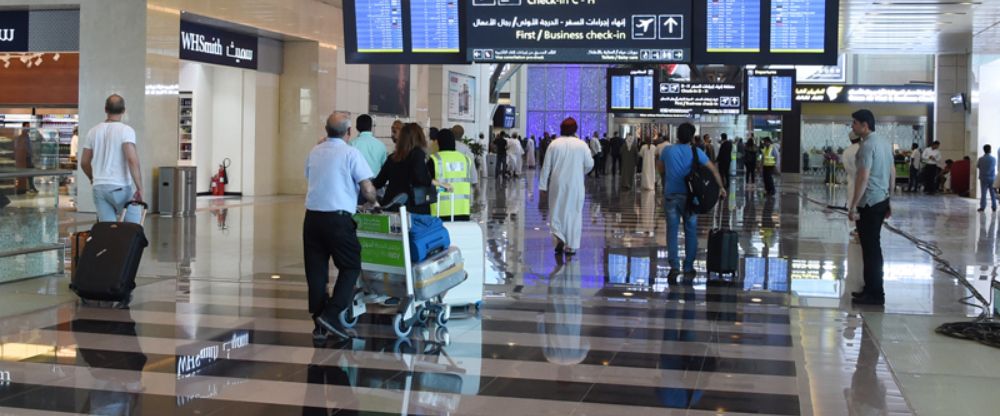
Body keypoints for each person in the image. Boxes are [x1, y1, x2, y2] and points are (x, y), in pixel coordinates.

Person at [304, 112, 379, 340]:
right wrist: (373, 202)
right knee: (351, 265)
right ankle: (333, 312)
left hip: (312, 219)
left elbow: (310, 177)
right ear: (348, 132)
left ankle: (319, 323)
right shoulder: (351, 153)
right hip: (338, 219)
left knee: (316, 272)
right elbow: (367, 188)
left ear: (326, 130)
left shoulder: (314, 151)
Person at [656, 123, 726, 280]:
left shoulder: (667, 150)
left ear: (677, 136)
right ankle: (688, 266)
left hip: (671, 195)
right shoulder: (696, 151)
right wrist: (721, 187)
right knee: (691, 230)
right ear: (691, 137)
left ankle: (674, 266)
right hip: (690, 197)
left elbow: (660, 167)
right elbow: (712, 169)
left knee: (672, 231)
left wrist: (666, 178)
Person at [848, 109, 894, 306]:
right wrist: (889, 200)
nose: (852, 126)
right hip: (881, 199)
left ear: (865, 125)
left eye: (855, 123)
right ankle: (871, 288)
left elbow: (863, 177)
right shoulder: (884, 143)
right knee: (872, 247)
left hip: (869, 202)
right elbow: (892, 173)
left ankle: (875, 294)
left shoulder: (867, 146)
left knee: (871, 249)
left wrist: (853, 205)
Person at [81, 95, 144, 223]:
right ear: (123, 110)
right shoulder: (126, 131)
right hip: (120, 188)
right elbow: (132, 160)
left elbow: (84, 162)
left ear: (105, 109)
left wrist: (93, 178)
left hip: (99, 188)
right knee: (132, 228)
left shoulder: (93, 131)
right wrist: (140, 187)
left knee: (107, 230)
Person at [539, 118, 594, 256]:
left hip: (557, 183)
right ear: (575, 129)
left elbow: (546, 167)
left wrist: (542, 187)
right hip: (575, 184)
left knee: (557, 211)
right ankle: (571, 246)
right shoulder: (582, 145)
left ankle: (559, 238)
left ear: (561, 129)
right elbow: (589, 164)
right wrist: (580, 171)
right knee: (574, 213)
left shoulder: (554, 144)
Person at [373, 123, 437, 215]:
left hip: (392, 204)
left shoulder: (392, 158)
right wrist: (434, 182)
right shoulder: (417, 154)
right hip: (412, 206)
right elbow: (421, 178)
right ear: (419, 137)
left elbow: (378, 182)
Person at [430, 128, 473, 220]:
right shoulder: (465, 159)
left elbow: (427, 181)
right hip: (463, 210)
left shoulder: (434, 160)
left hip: (440, 211)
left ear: (438, 142)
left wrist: (442, 189)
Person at [13, 122, 38, 194]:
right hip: (25, 158)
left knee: (31, 173)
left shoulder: (27, 136)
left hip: (28, 157)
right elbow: (21, 148)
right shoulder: (21, 137)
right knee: (29, 173)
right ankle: (30, 187)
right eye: (27, 126)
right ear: (23, 127)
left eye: (29, 126)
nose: (29, 128)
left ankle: (31, 187)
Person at [843, 132, 862, 215]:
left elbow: (847, 168)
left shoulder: (847, 152)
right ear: (860, 138)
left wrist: (854, 174)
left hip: (852, 181)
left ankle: (855, 225)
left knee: (852, 201)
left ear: (850, 140)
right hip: (866, 181)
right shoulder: (864, 148)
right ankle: (863, 225)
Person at [978, 145, 998, 212]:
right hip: (992, 178)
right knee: (992, 193)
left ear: (984, 150)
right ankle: (994, 206)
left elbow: (978, 166)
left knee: (983, 193)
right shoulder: (993, 159)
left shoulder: (980, 159)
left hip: (983, 178)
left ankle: (982, 207)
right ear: (990, 150)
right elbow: (994, 166)